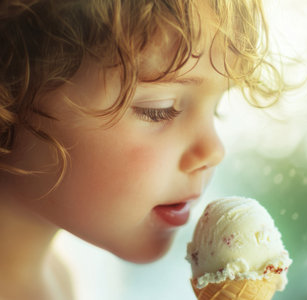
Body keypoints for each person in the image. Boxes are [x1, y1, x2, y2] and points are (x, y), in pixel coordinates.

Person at [0, 0, 284, 299]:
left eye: (217, 109)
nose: (214, 151)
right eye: (159, 110)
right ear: (9, 84)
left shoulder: (57, 279)